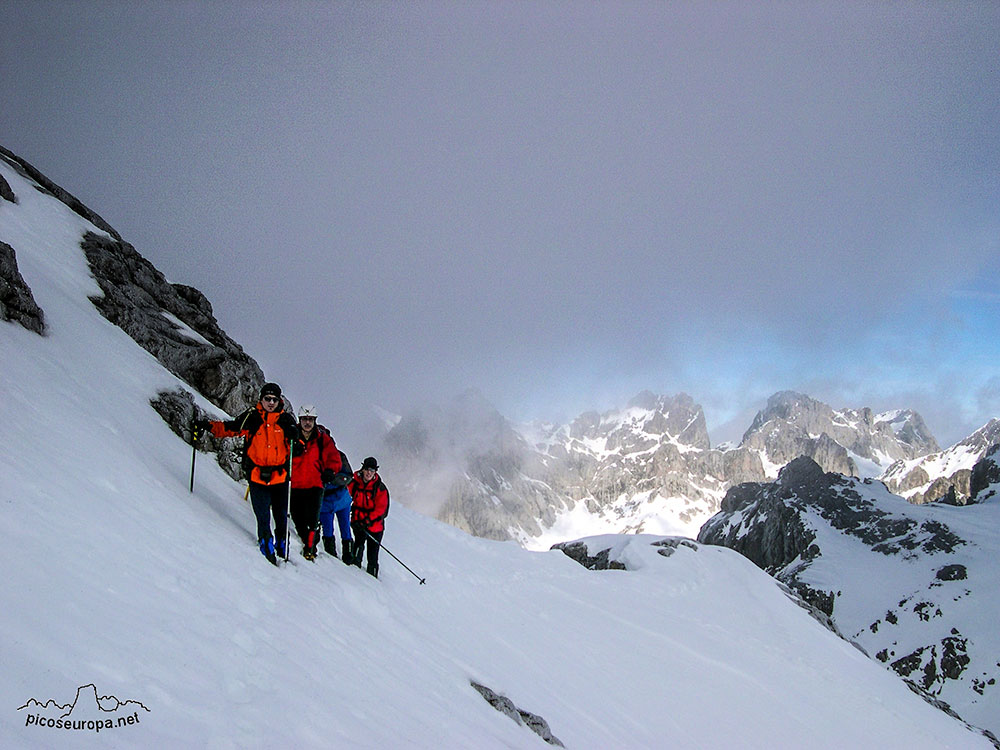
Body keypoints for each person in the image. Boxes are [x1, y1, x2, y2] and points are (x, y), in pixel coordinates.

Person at [195, 382, 297, 565]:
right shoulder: (252, 417)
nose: (271, 402)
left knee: (281, 516)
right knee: (262, 515)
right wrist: (208, 426)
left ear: (279, 400)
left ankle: (282, 545)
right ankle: (266, 545)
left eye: (274, 399)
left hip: (280, 477)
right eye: (267, 399)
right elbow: (231, 428)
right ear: (261, 399)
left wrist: (295, 435)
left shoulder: (286, 420)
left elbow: (299, 445)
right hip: (257, 475)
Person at [290, 405, 341, 560]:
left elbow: (334, 457)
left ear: (315, 421)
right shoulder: (292, 436)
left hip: (315, 485)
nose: (307, 422)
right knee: (297, 517)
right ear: (300, 420)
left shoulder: (322, 439)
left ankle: (310, 549)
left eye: (310, 419)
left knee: (312, 519)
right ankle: (307, 540)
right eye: (305, 419)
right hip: (295, 485)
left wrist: (330, 471)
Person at [349, 457, 390, 578]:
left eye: (372, 470)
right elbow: (346, 495)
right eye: (367, 469)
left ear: (375, 472)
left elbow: (382, 510)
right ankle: (353, 573)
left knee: (372, 555)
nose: (369, 473)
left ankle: (372, 578)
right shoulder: (354, 482)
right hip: (359, 524)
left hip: (375, 527)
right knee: (358, 547)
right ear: (363, 469)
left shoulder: (380, 488)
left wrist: (368, 521)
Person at [320, 450, 354, 562]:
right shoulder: (339, 455)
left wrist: (330, 480)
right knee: (344, 528)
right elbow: (349, 476)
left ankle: (332, 555)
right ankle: (347, 555)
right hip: (341, 499)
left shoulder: (316, 454)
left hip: (328, 501)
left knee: (330, 530)